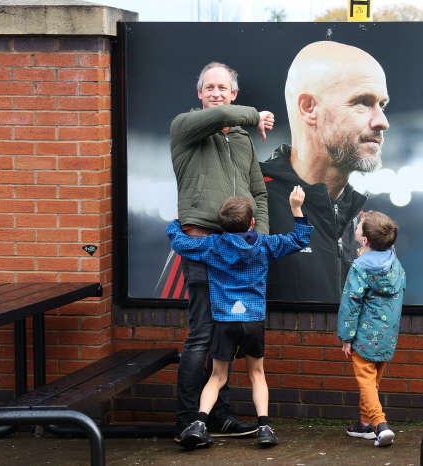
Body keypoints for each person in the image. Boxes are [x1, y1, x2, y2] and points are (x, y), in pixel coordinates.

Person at [170, 61, 275, 445]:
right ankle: (186, 422)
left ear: (233, 92)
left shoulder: (243, 141)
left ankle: (219, 417)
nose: (216, 92)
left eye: (223, 87)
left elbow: (258, 194)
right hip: (202, 245)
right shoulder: (185, 127)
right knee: (201, 335)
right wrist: (254, 116)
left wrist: (257, 241)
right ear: (200, 94)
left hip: (241, 252)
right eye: (209, 87)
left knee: (224, 339)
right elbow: (224, 116)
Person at [166, 188, 314, 449]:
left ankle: (199, 423)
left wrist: (176, 223)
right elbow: (299, 240)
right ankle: (264, 428)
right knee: (257, 374)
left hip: (224, 321)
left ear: (220, 226)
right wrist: (296, 209)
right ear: (253, 223)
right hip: (253, 320)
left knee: (216, 377)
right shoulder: (265, 244)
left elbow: (180, 243)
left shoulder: (213, 244)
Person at [260, 41, 390, 303]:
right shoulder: (247, 201)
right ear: (309, 108)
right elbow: (182, 318)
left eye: (382, 105)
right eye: (363, 102)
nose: (382, 122)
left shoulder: (363, 225)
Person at [337, 211, 406, 447]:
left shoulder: (359, 267)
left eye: (360, 227)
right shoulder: (394, 263)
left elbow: (350, 304)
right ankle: (366, 424)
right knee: (373, 381)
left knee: (366, 382)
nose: (356, 228)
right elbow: (382, 246)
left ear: (364, 239)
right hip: (388, 335)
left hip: (364, 336)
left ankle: (380, 424)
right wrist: (373, 221)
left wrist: (346, 337)